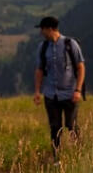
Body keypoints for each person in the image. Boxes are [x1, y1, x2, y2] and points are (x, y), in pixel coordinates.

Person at [32, 15, 85, 157]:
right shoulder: (42, 47)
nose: (41, 33)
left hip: (69, 93)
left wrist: (78, 90)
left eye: (42, 29)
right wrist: (37, 91)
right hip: (50, 94)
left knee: (71, 125)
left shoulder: (70, 44)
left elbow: (80, 67)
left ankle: (79, 154)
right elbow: (39, 70)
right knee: (54, 127)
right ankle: (56, 157)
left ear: (49, 29)